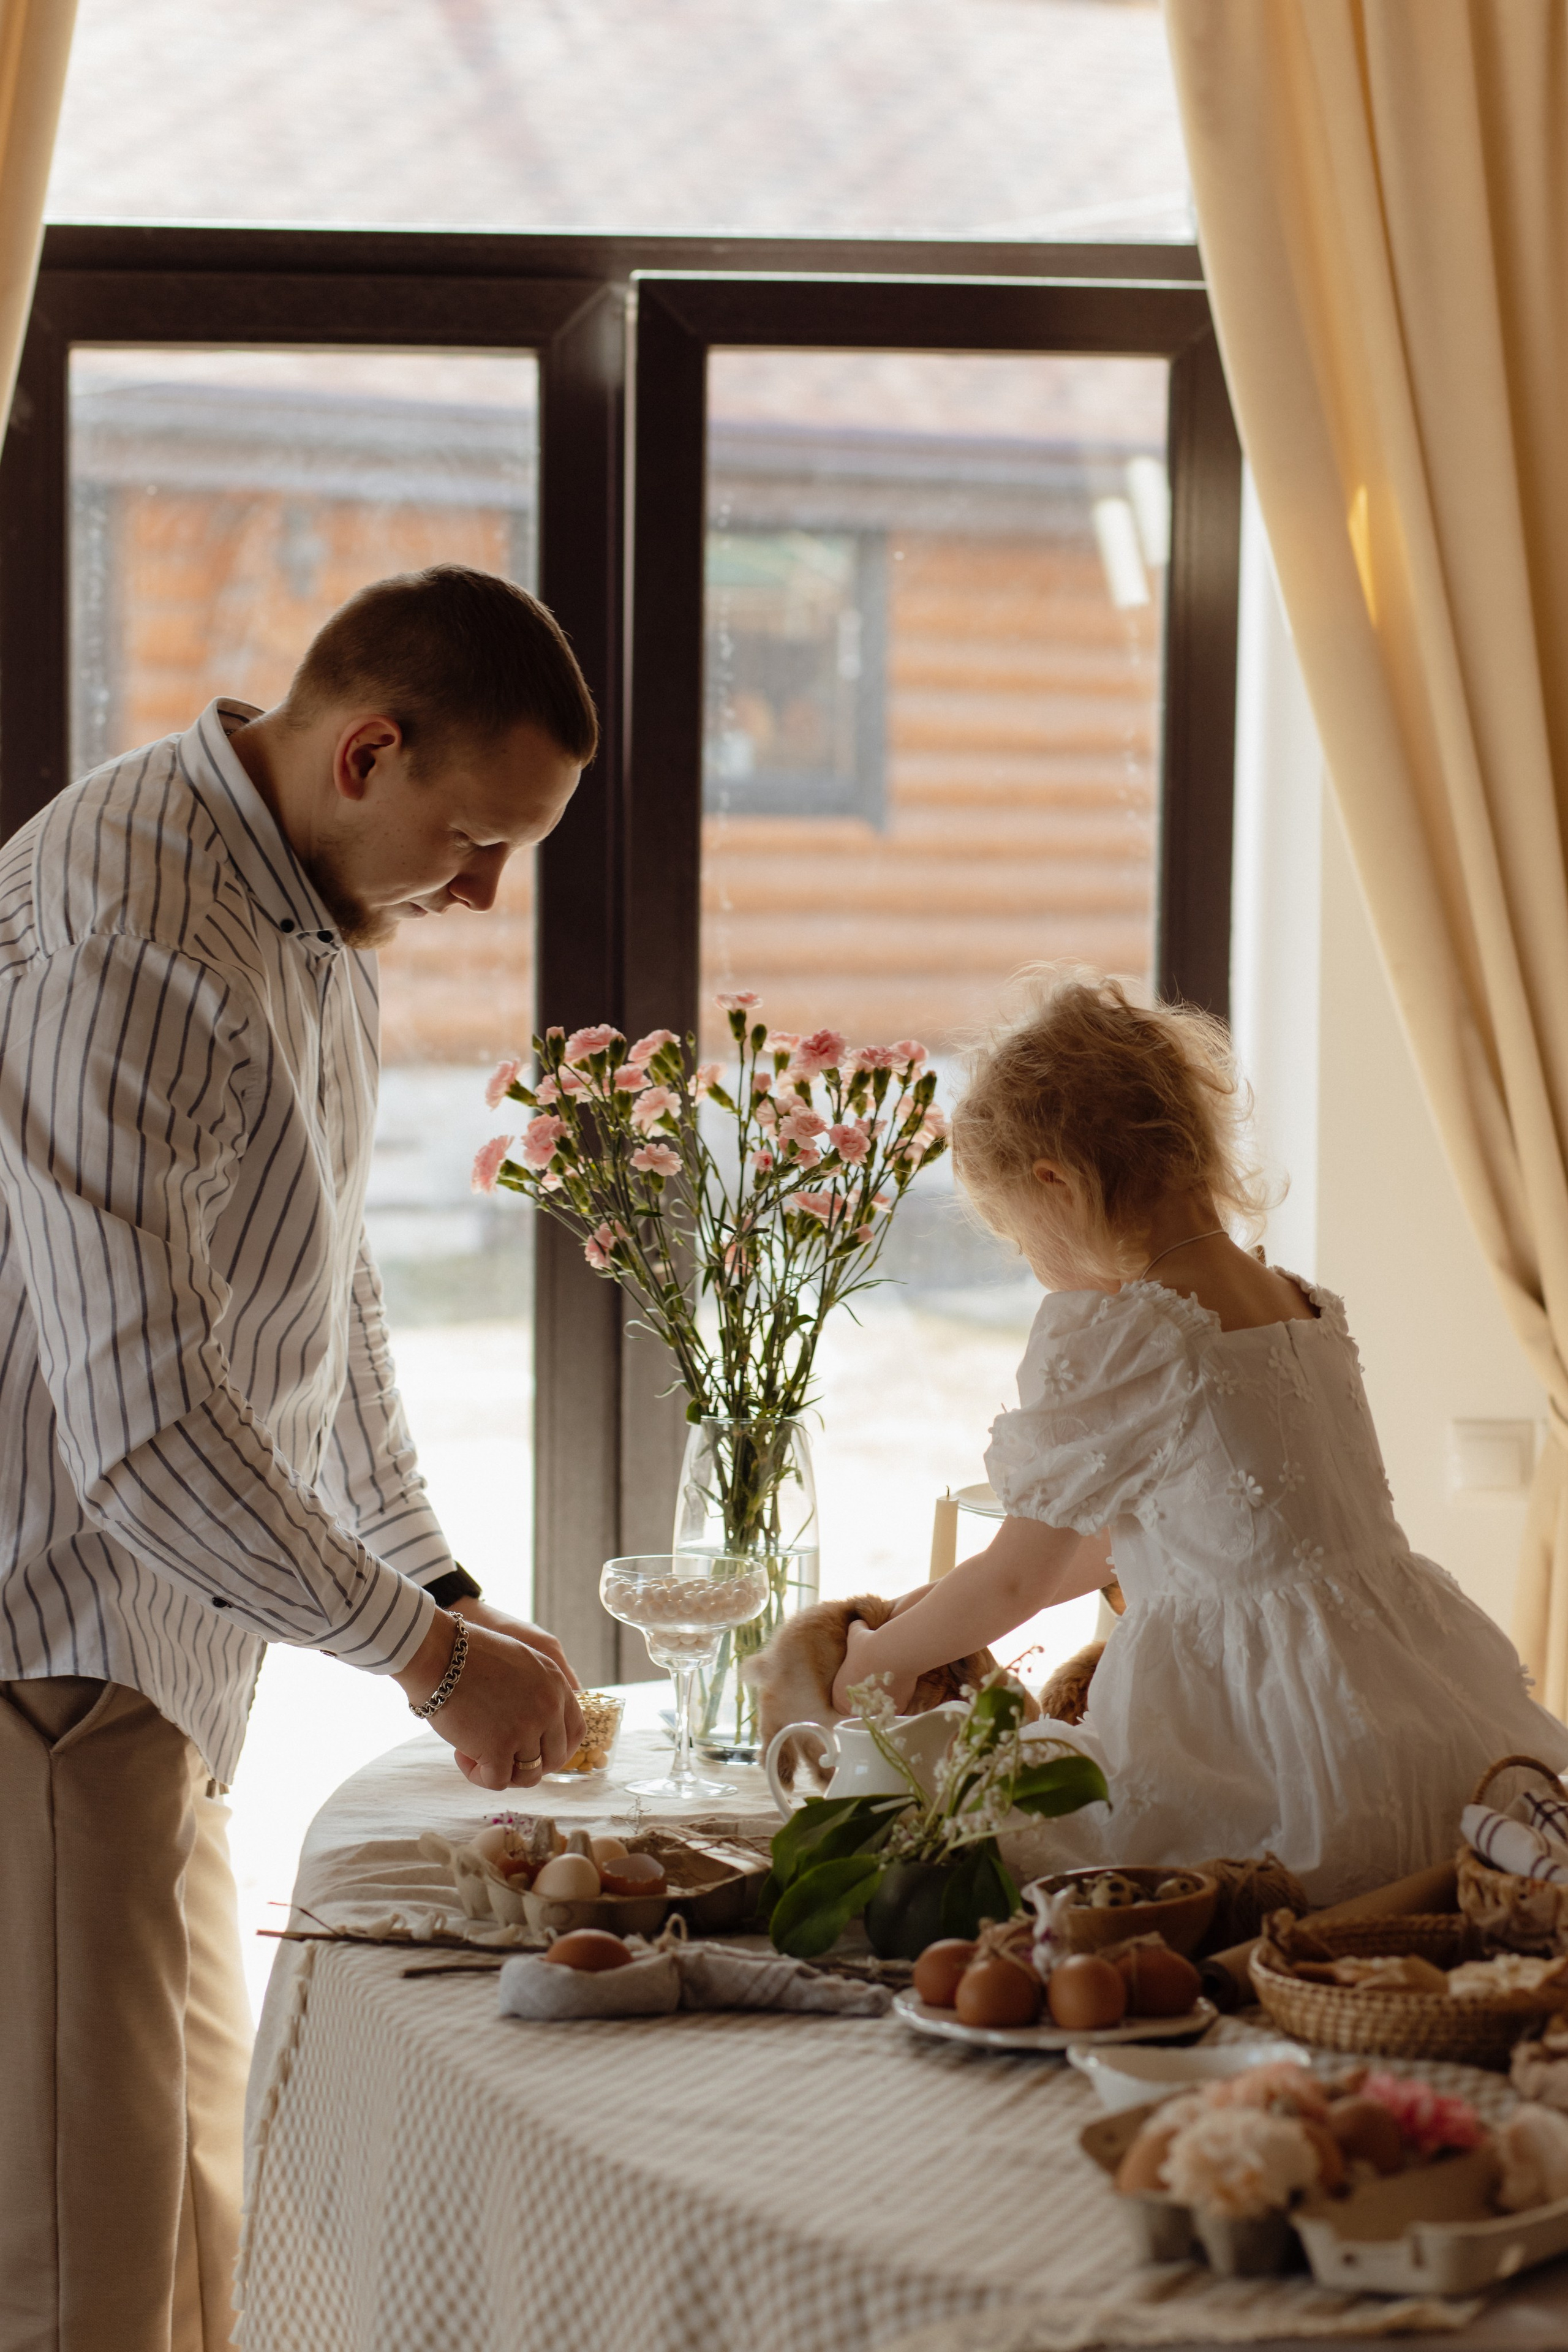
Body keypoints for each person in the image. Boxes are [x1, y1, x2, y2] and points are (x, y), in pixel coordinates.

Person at [0, 565, 595, 2352]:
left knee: (199, 2223)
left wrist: (442, 1585)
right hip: (53, 1654)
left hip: (169, 1658)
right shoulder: (133, 932)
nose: (483, 894)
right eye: (475, 841)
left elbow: (322, 1287)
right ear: (367, 751)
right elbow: (147, 1436)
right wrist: (427, 1659)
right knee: (79, 2262)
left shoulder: (309, 909)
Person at [832, 965, 1568, 1904]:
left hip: (1258, 1740)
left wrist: (876, 1659)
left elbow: (1018, 1577)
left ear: (1055, 1183)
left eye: (1018, 1239)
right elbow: (1119, 1546)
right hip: (1408, 1714)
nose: (1031, 1265)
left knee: (959, 1820)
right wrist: (930, 1610)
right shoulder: (1301, 1304)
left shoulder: (1126, 1331)